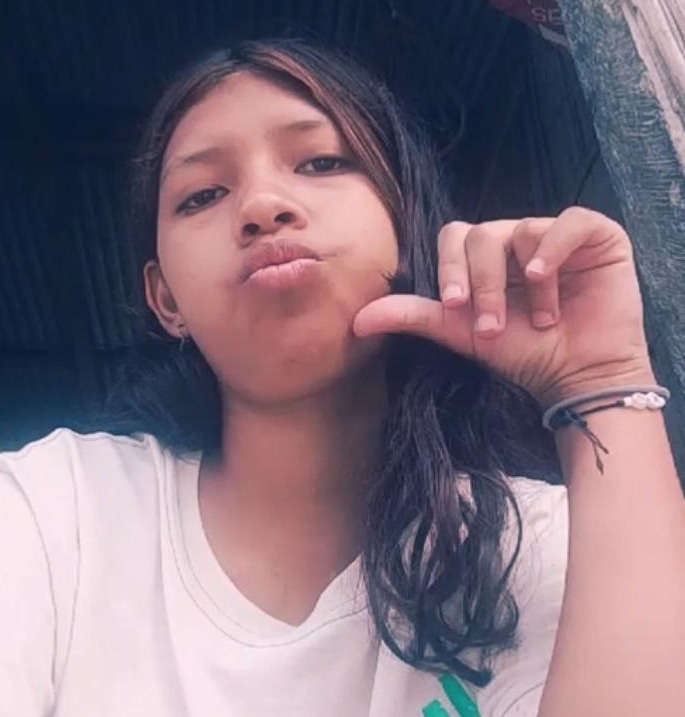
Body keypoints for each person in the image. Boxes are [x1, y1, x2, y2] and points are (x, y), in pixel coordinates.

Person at [1, 38, 683, 717]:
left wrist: (603, 379)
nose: (262, 205)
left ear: (404, 223)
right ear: (165, 299)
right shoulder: (59, 511)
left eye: (321, 162)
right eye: (203, 195)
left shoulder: (532, 543)